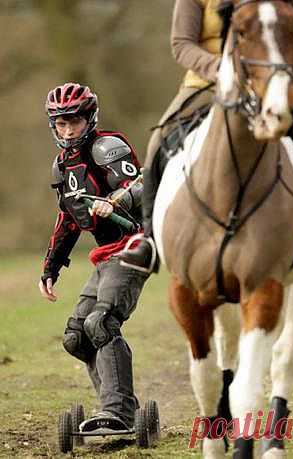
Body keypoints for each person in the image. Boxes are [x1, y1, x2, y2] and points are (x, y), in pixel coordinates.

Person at [119, 0, 293, 270]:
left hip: (266, 81)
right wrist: (221, 69)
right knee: (158, 141)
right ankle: (148, 239)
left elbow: (287, 33)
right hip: (208, 83)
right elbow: (182, 45)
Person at [39, 82, 148, 432]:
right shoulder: (61, 168)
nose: (68, 130)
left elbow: (144, 185)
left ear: (89, 118)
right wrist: (51, 268)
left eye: (74, 121)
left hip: (134, 246)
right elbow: (68, 219)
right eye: (61, 124)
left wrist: (116, 199)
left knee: (100, 322)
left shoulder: (107, 148)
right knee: (77, 337)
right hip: (104, 256)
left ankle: (118, 414)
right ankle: (117, 409)